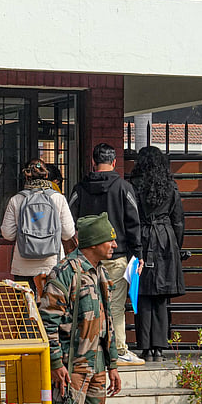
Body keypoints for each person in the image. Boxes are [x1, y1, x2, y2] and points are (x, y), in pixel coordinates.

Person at [33, 212, 124, 404]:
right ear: (93, 242)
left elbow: (107, 321)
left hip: (96, 365)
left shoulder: (99, 272)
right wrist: (56, 363)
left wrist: (112, 363)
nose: (113, 244)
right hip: (71, 368)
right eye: (108, 239)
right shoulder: (65, 272)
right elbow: (47, 321)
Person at [68, 143, 145, 366]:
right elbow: (134, 223)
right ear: (114, 162)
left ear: (93, 163)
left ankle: (87, 348)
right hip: (117, 255)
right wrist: (137, 255)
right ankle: (119, 348)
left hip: (87, 256)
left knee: (85, 304)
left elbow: (69, 220)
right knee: (116, 306)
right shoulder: (123, 187)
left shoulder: (80, 188)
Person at [129, 146, 186, 361]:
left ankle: (144, 346)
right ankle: (159, 347)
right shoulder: (170, 186)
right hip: (165, 239)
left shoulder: (134, 185)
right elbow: (178, 220)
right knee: (161, 297)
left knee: (142, 294)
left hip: (142, 237)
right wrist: (176, 247)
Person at [1, 159, 76, 294]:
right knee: (50, 310)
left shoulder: (16, 200)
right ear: (47, 175)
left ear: (26, 176)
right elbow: (68, 233)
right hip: (51, 265)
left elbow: (7, 234)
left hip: (22, 267)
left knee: (25, 309)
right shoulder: (58, 198)